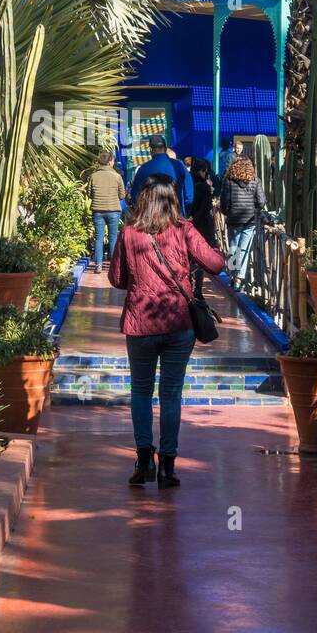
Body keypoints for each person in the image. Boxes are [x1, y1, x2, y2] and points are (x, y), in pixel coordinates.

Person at [109, 174, 225, 488]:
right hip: (178, 323)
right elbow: (215, 264)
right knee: (171, 394)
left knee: (140, 392)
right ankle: (168, 466)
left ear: (143, 201)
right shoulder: (185, 230)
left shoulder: (129, 233)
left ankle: (143, 457)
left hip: (140, 324)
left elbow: (117, 279)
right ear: (173, 201)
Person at [220, 150, 265, 290]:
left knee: (233, 248)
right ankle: (239, 279)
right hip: (249, 220)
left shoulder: (228, 181)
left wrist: (226, 212)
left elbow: (225, 201)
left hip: (233, 219)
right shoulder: (255, 181)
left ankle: (234, 276)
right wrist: (255, 209)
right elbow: (261, 202)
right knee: (244, 249)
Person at [128, 134, 193, 214]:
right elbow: (189, 195)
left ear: (151, 151)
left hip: (151, 217)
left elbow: (135, 195)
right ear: (165, 149)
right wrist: (184, 212)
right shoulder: (179, 166)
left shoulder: (143, 169)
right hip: (175, 215)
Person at [87, 150, 125, 270]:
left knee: (99, 237)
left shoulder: (93, 176)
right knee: (113, 237)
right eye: (113, 160)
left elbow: (89, 194)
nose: (113, 162)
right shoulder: (117, 176)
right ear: (109, 162)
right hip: (114, 210)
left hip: (98, 210)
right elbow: (122, 195)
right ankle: (113, 266)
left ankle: (98, 264)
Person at [188, 157, 218, 298]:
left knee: (189, 256)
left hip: (189, 224)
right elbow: (205, 208)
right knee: (199, 258)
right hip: (201, 227)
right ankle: (197, 289)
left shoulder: (187, 184)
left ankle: (188, 284)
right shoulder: (203, 187)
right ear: (201, 171)